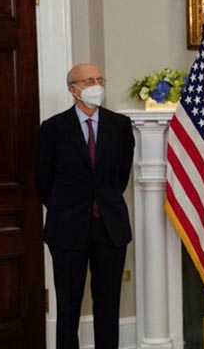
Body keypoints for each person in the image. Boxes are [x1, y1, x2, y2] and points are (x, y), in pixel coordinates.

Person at [36, 63, 134, 349]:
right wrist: (66, 207)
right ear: (73, 89)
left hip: (110, 227)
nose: (96, 85)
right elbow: (43, 181)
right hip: (67, 229)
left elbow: (120, 176)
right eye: (89, 80)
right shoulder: (53, 129)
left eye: (99, 79)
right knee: (68, 306)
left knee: (108, 305)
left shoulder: (120, 125)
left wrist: (103, 203)